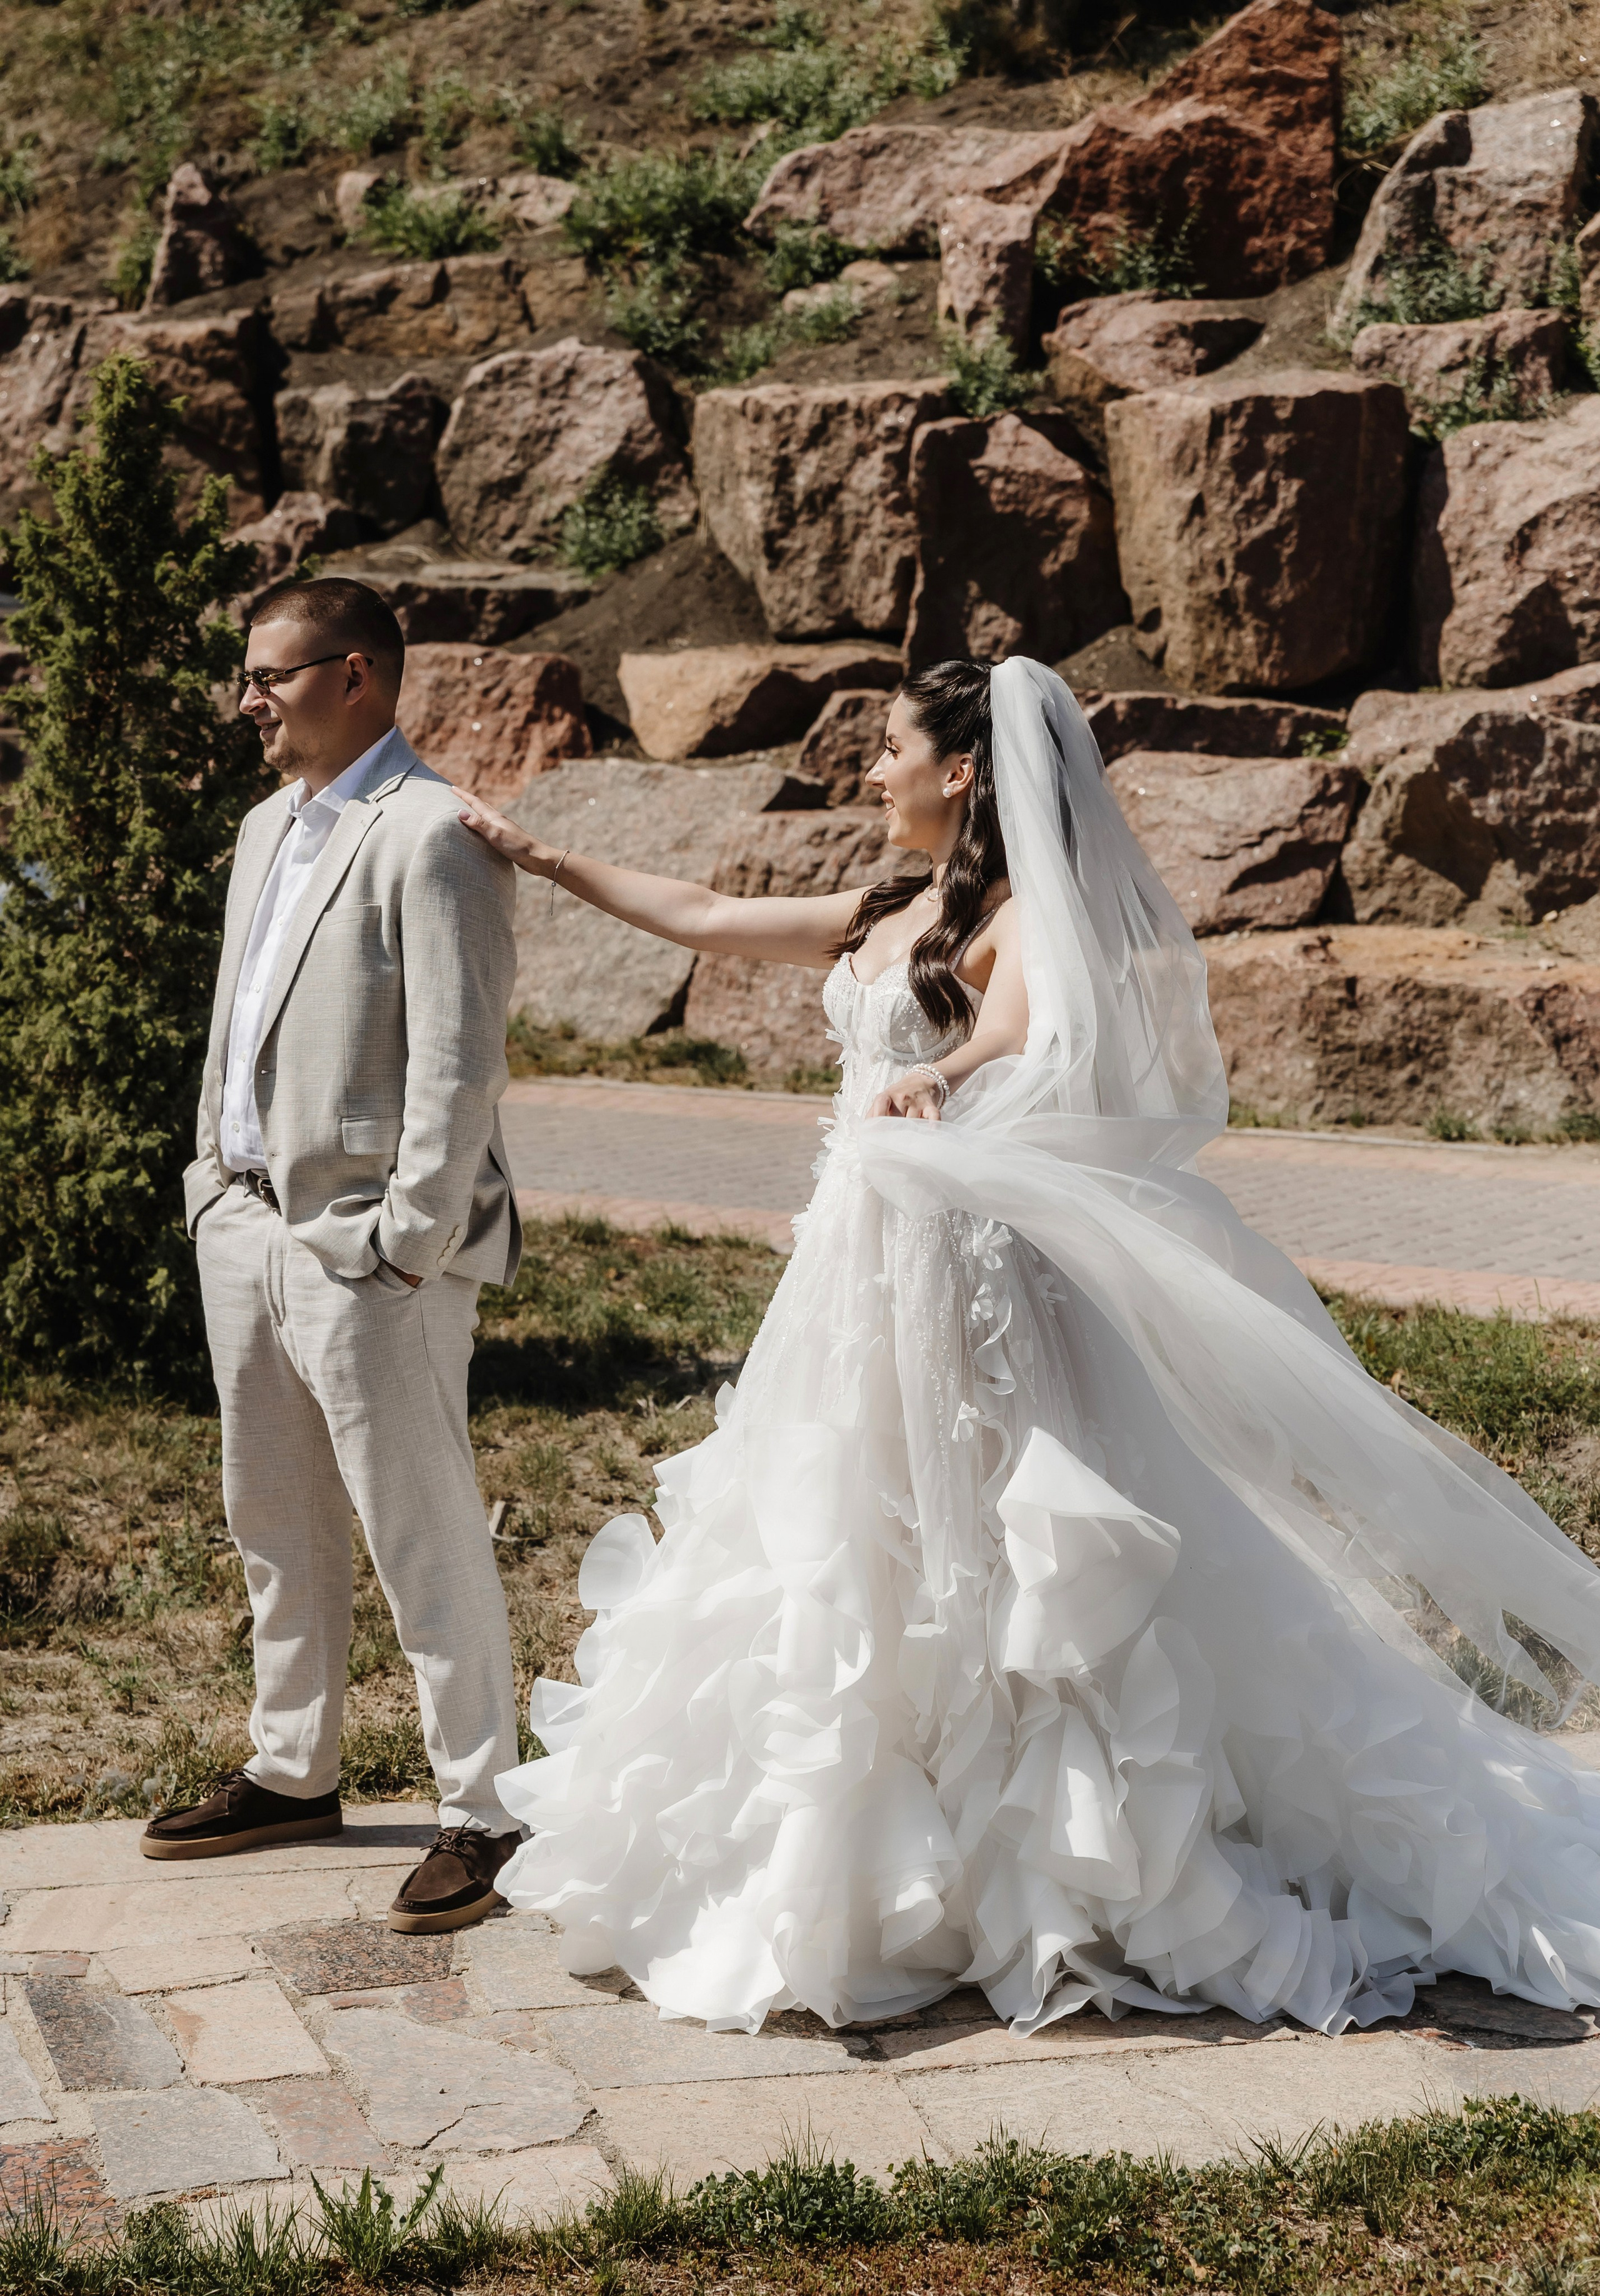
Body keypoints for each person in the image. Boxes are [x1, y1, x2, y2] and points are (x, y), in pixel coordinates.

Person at [456, 656, 1600, 2035]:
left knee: (994, 1537)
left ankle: (1047, 1854)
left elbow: (1011, 1028)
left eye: (888, 748)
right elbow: (702, 913)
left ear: (960, 771)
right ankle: (879, 1839)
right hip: (855, 1266)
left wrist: (934, 1075)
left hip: (961, 1270)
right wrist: (541, 856)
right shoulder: (883, 908)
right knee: (845, 1522)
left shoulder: (1023, 918)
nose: (870, 771)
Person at [146, 578, 525, 1935]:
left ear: (354, 675)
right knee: (273, 1513)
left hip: (370, 1247)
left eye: (271, 675)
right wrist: (210, 1183)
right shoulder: (266, 827)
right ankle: (293, 1768)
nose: (248, 699)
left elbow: (460, 1060)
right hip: (245, 1224)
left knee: (419, 1526)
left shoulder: (430, 833)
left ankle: (485, 1807)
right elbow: (238, 1022)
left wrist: (407, 1240)